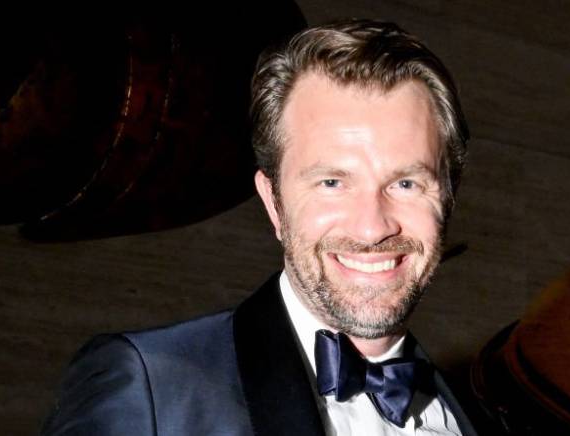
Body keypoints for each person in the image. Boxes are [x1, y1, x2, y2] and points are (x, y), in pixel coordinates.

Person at [41, 19, 476, 436]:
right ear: (273, 203)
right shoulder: (149, 386)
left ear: (447, 199)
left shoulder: (477, 417)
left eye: (406, 183)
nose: (371, 228)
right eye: (331, 182)